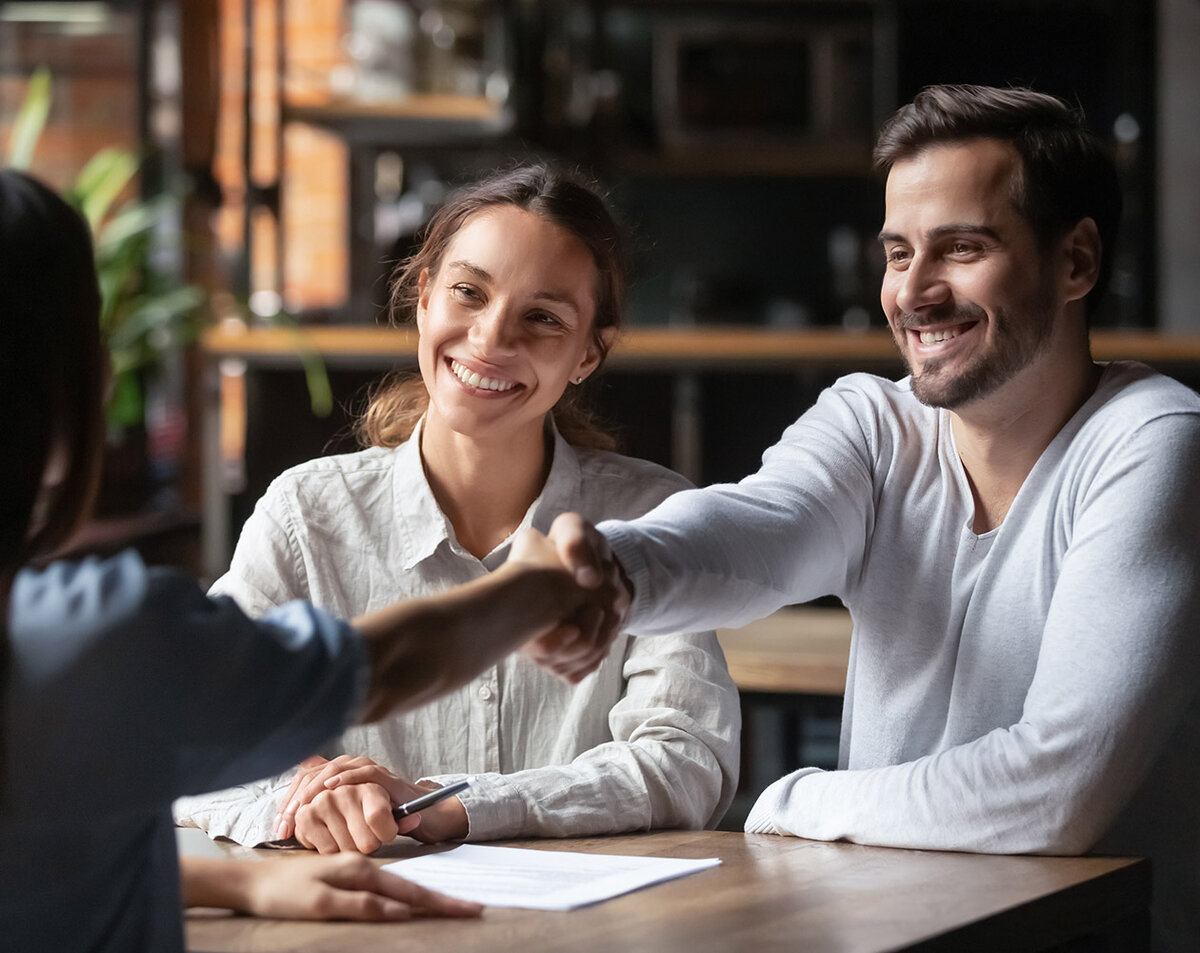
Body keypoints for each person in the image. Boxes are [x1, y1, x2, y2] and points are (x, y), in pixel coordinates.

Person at [537, 85, 1200, 953]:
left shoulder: (1153, 439)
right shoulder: (871, 422)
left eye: (962, 248)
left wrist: (794, 801)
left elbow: (1055, 789)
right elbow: (757, 529)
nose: (916, 292)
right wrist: (614, 572)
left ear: (1076, 261)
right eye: (897, 253)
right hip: (892, 932)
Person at [0, 167, 619, 952]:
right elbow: (384, 664)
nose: (493, 335)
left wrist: (242, 879)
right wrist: (538, 587)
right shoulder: (100, 636)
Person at [173, 163, 739, 853]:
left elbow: (687, 761)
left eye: (542, 317)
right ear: (423, 297)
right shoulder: (306, 516)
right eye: (469, 291)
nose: (492, 338)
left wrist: (449, 803)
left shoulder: (652, 516)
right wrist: (303, 794)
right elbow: (192, 739)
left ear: (590, 352)